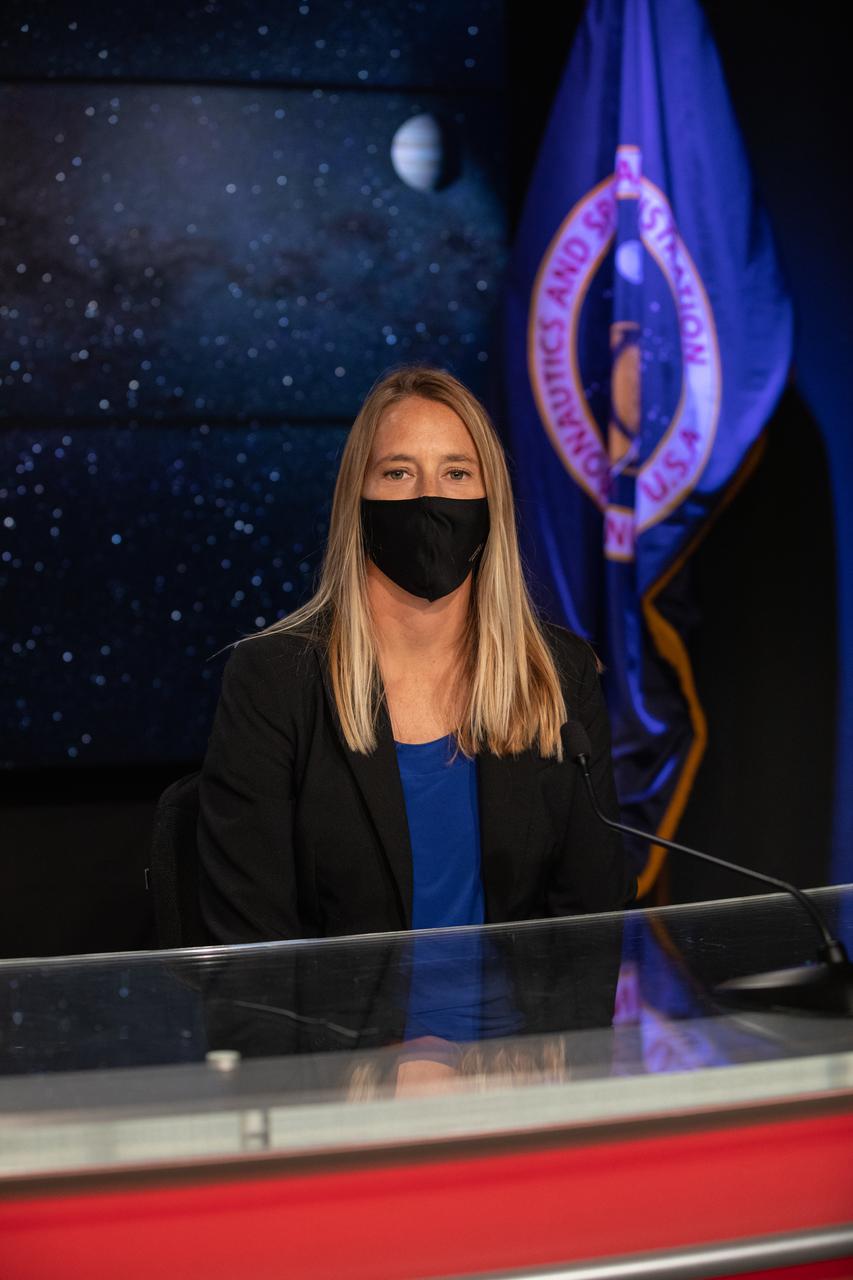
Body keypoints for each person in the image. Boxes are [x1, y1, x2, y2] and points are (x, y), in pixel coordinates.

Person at [196, 364, 637, 950]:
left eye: (457, 472)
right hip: (345, 1038)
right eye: (398, 473)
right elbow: (250, 948)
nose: (429, 498)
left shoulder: (557, 675)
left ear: (491, 501)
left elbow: (591, 923)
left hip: (519, 1041)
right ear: (359, 498)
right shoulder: (275, 681)